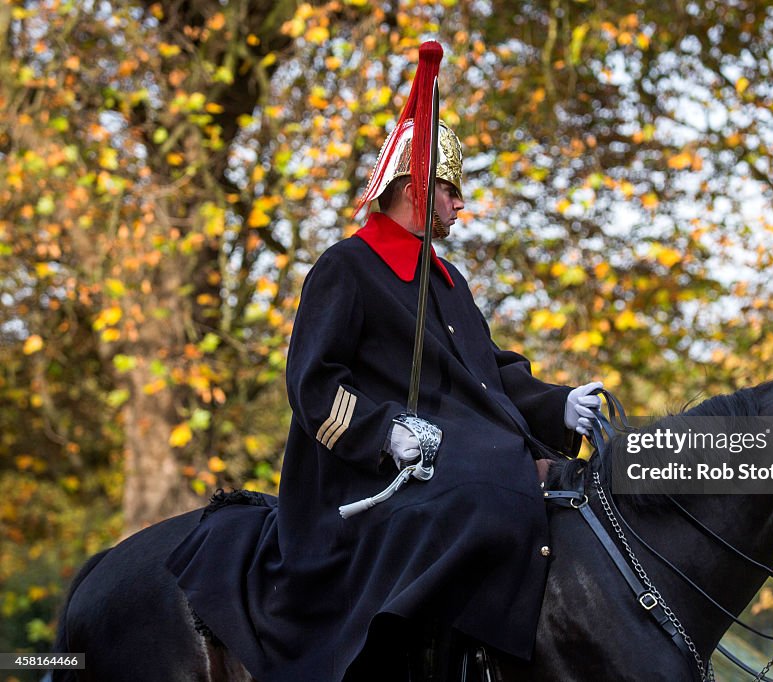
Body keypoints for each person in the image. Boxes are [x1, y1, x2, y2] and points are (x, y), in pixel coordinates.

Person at [167, 41, 603, 681]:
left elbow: (490, 375)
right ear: (417, 187)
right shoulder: (346, 268)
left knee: (549, 482)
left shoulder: (446, 279)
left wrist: (556, 403)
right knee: (489, 489)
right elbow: (313, 386)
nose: (460, 205)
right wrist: (385, 433)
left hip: (449, 457)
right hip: (366, 476)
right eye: (452, 190)